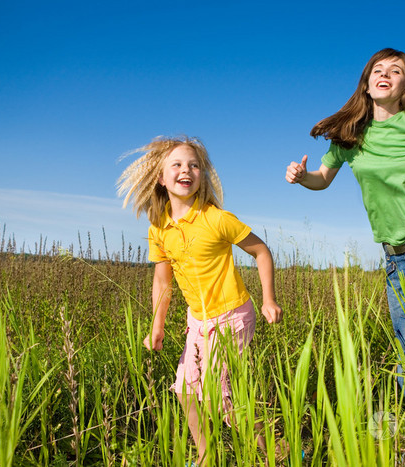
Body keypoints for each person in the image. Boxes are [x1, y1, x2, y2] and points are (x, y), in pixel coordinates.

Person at [285, 48, 405, 400]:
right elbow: (323, 178)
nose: (385, 73)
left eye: (396, 70)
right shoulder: (350, 135)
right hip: (394, 256)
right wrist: (302, 178)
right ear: (367, 84)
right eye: (378, 69)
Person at [118, 136, 284, 466]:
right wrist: (157, 325)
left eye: (194, 165)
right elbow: (163, 281)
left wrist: (269, 298)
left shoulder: (216, 219)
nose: (187, 170)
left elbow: (261, 251)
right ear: (161, 178)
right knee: (184, 392)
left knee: (217, 397)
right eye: (177, 165)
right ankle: (207, 457)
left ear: (202, 176)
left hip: (233, 314)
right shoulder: (159, 227)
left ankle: (279, 454)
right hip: (199, 320)